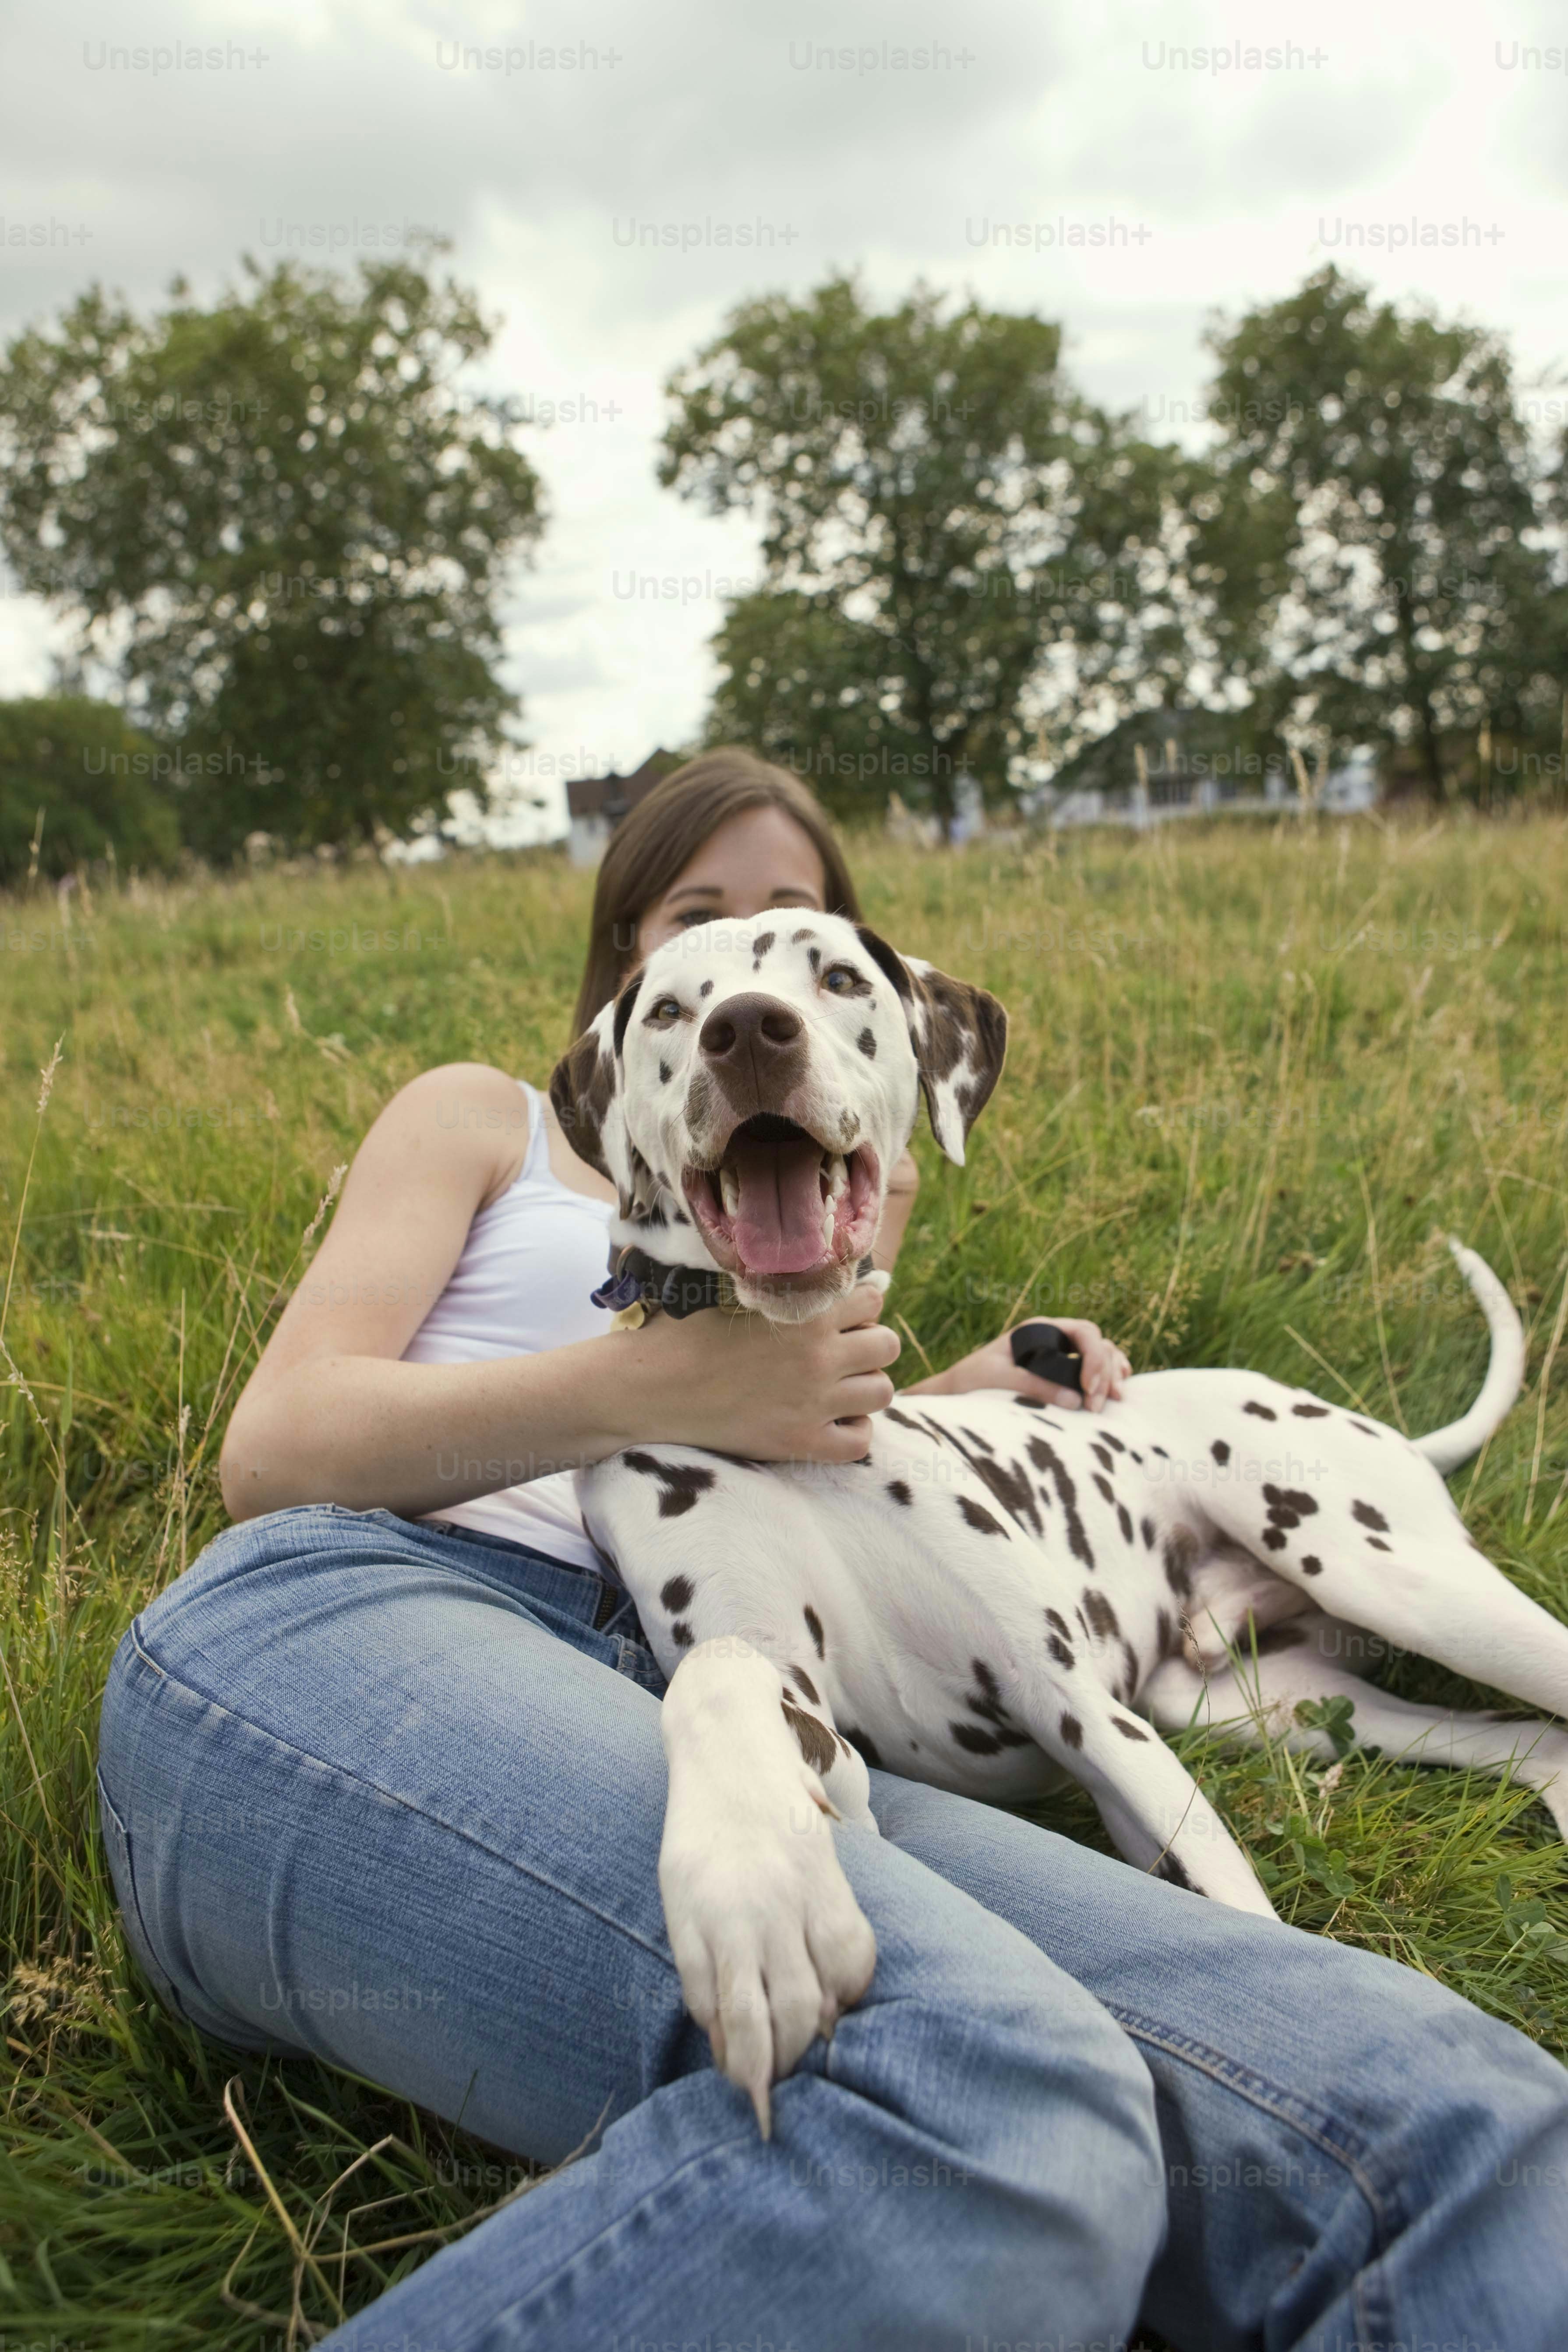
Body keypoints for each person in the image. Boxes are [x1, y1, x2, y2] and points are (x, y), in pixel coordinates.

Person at [98, 749, 1568, 2352]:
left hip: (744, 1689)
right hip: (380, 1616)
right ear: (628, 994)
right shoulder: (489, 1121)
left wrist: (943, 1394)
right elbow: (270, 1446)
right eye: (696, 928)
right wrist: (654, 1380)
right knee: (997, 2102)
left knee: (1452, 2120)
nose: (750, 991)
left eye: (799, 933)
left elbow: (813, 1495)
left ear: (881, 1025)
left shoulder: (807, 1201)